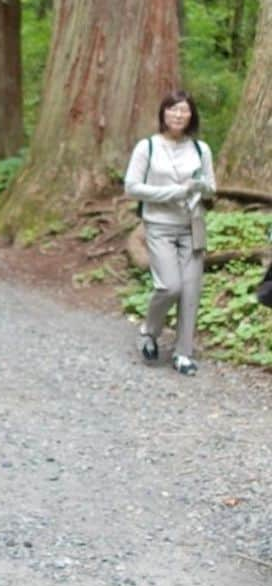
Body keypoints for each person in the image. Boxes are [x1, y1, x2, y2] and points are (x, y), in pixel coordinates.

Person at [124, 91, 216, 375]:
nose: (178, 115)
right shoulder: (147, 147)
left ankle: (183, 353)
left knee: (190, 291)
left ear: (191, 116)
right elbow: (132, 187)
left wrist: (201, 188)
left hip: (192, 226)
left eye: (184, 111)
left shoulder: (201, 149)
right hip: (159, 226)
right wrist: (175, 192)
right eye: (173, 110)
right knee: (169, 286)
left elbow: (212, 187)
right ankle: (149, 331)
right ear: (163, 114)